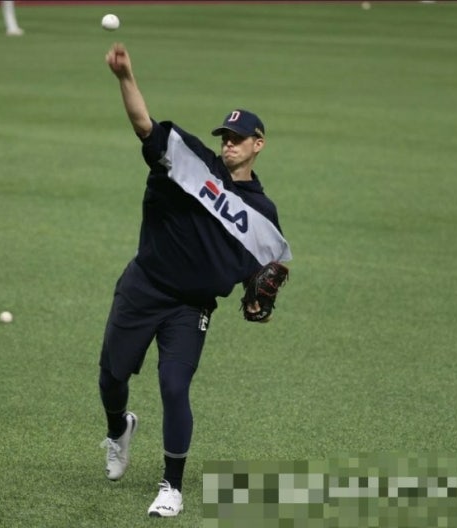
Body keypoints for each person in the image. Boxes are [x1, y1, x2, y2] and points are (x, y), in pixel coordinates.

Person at [97, 43, 292, 517]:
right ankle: (119, 428)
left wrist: (256, 300)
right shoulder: (191, 164)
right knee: (111, 376)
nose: (229, 143)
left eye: (238, 138)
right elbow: (145, 125)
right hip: (144, 285)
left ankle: (171, 486)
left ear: (257, 145)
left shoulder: (261, 213)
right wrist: (125, 76)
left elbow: (268, 270)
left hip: (192, 307)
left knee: (174, 385)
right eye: (225, 135)